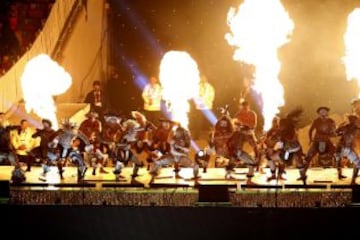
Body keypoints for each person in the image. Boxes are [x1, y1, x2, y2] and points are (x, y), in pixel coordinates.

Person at [191, 74, 215, 139]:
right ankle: (196, 136)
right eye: (201, 78)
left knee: (209, 122)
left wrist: (203, 99)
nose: (202, 79)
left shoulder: (210, 87)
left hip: (207, 107)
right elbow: (195, 96)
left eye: (203, 78)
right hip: (199, 108)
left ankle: (212, 136)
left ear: (206, 79)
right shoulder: (198, 87)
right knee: (198, 122)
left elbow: (211, 97)